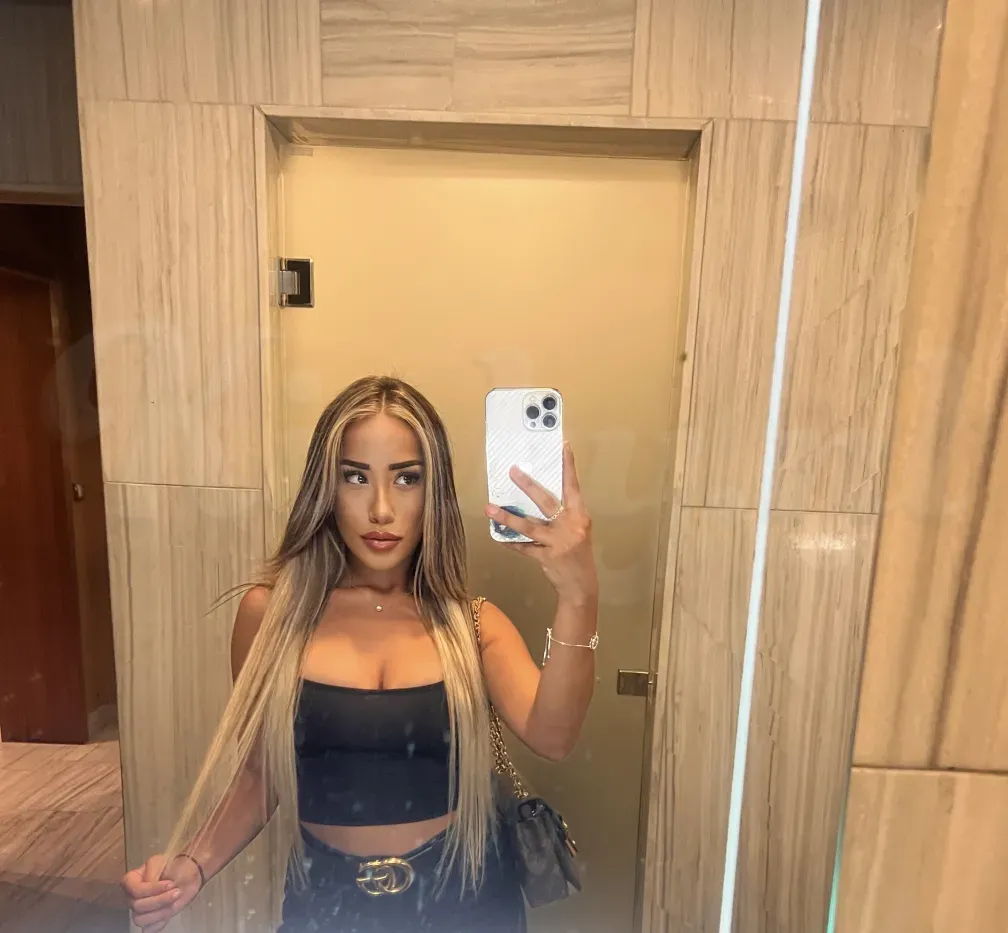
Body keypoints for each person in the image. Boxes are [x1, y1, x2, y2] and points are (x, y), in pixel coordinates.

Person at [121, 375, 599, 933]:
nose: (381, 509)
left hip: (467, 902)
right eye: (355, 477)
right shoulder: (272, 617)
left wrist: (579, 596)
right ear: (325, 488)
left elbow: (554, 737)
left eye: (406, 478)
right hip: (325, 905)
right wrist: (192, 865)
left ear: (434, 492)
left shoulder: (472, 625)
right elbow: (261, 774)